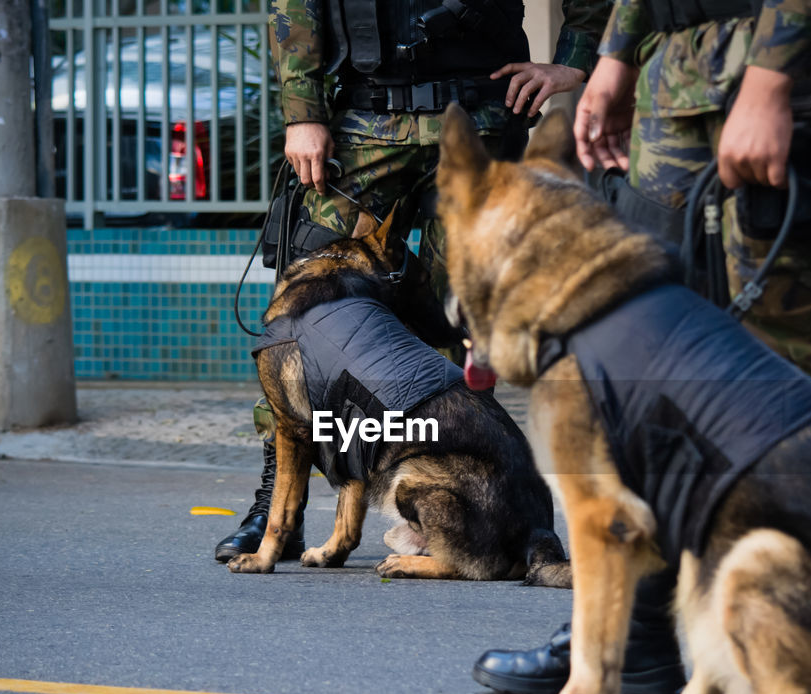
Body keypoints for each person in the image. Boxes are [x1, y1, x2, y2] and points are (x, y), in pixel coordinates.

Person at [472, 0, 811, 694]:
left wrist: (770, 77)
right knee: (642, 357)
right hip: (676, 77)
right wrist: (617, 55)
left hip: (800, 70)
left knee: (808, 361)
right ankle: (628, 639)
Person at [215, 0, 613, 563]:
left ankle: (460, 513)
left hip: (483, 117)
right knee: (311, 324)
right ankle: (276, 508)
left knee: (458, 321)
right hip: (366, 121)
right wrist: (303, 111)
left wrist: (574, 62)